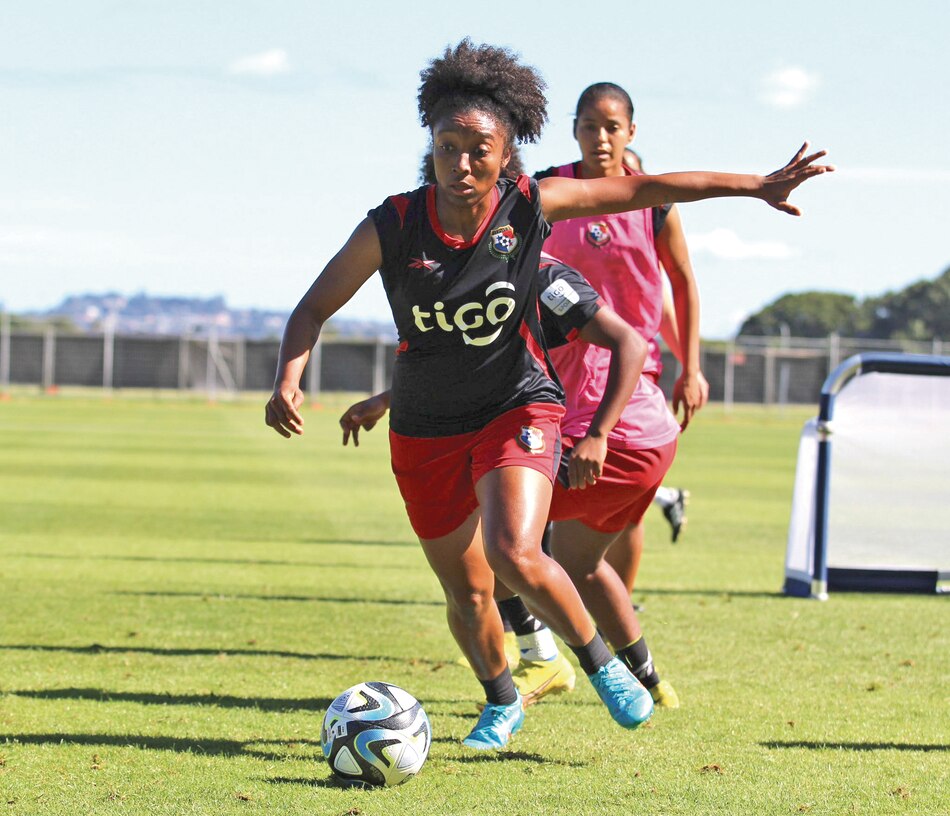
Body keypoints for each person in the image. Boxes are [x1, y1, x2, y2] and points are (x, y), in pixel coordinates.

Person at [265, 41, 832, 750]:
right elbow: (312, 308)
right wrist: (290, 375)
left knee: (513, 549)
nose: (463, 163)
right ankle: (501, 700)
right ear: (431, 146)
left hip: (518, 408)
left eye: (481, 149)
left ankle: (603, 666)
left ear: (507, 156)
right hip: (426, 427)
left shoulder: (531, 207)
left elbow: (647, 191)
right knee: (467, 594)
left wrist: (755, 185)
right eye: (449, 146)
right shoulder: (392, 224)